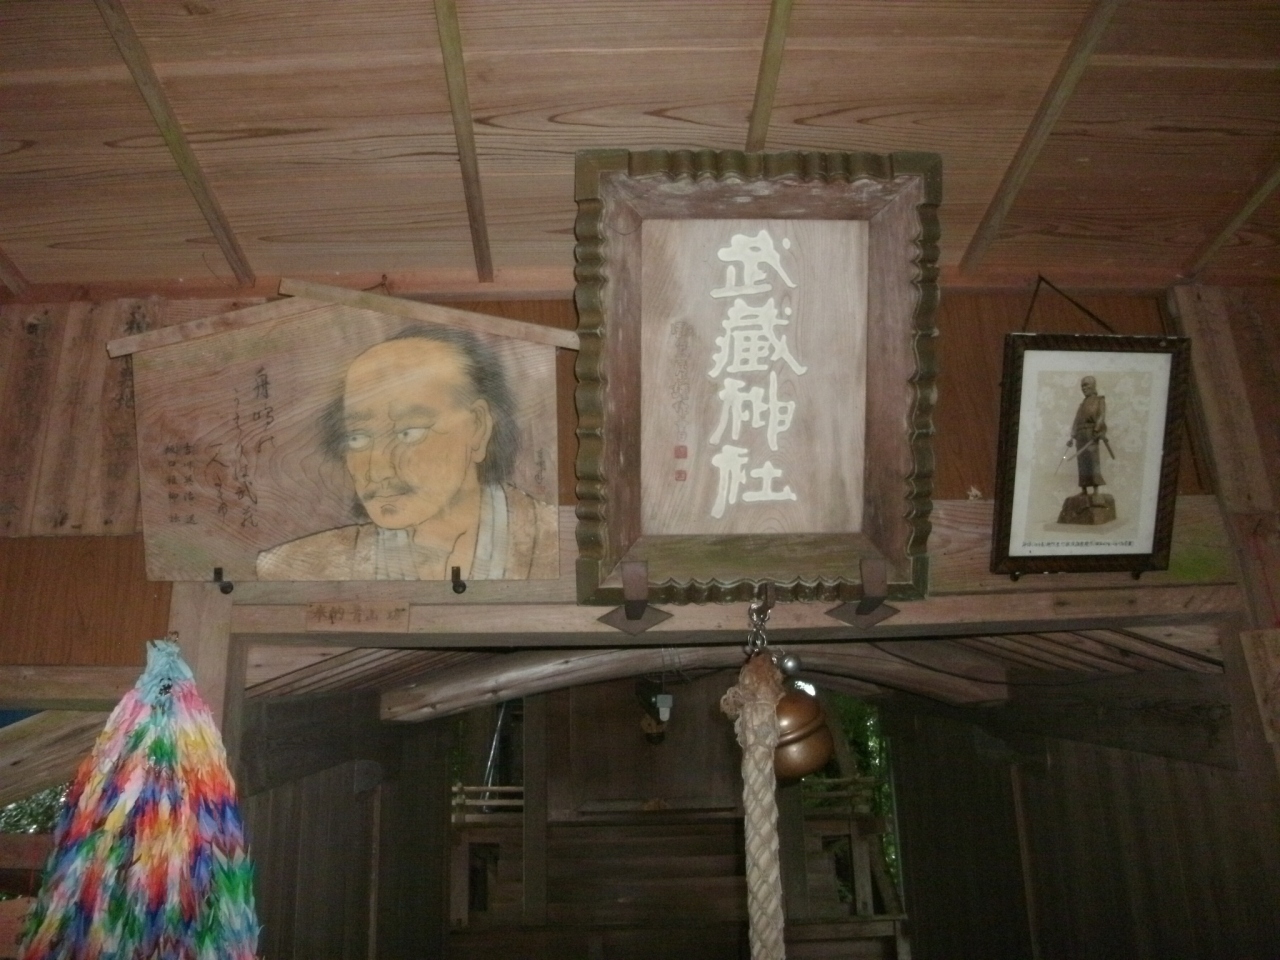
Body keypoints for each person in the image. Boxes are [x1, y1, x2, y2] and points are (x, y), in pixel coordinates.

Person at [256, 325, 558, 580]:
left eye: (408, 433)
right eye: (358, 438)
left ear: (478, 427)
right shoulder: (295, 569)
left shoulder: (559, 544)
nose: (378, 469)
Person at [1067, 375, 1107, 498]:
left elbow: (1101, 416)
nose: (1084, 388)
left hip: (1091, 434)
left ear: (1093, 385)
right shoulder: (1082, 404)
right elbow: (1077, 420)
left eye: (1086, 385)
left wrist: (1097, 429)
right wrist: (1072, 436)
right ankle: (1084, 489)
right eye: (1082, 386)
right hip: (1080, 435)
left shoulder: (1099, 400)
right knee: (1082, 461)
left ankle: (1095, 490)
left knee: (1092, 460)